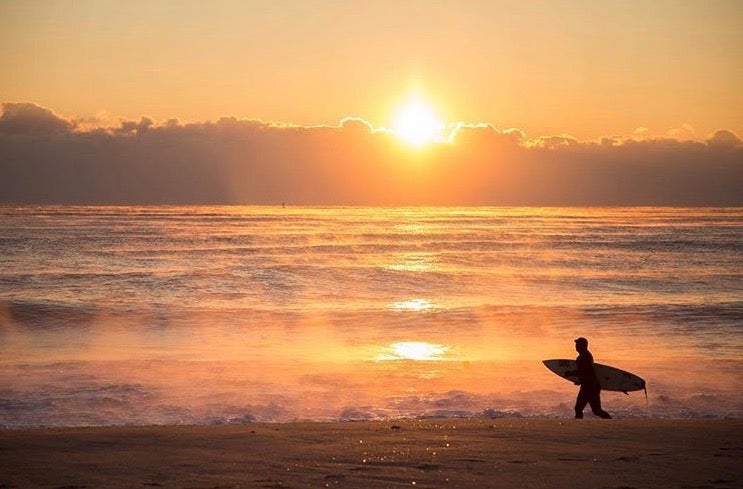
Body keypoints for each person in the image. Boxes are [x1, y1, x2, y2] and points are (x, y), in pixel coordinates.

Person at [565, 337, 612, 419]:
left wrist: (570, 373)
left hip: (590, 387)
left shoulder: (584, 357)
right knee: (595, 410)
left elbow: (583, 371)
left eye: (577, 344)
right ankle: (610, 421)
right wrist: (580, 381)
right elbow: (587, 373)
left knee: (582, 409)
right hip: (590, 385)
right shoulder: (584, 355)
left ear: (582, 346)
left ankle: (610, 422)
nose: (575, 346)